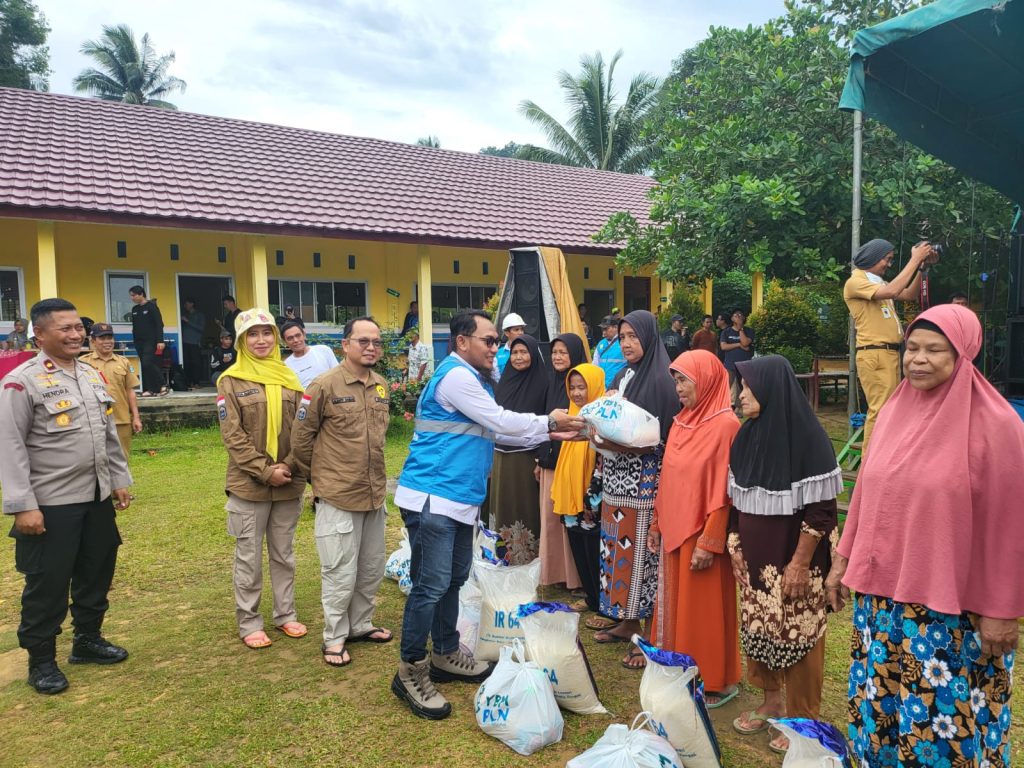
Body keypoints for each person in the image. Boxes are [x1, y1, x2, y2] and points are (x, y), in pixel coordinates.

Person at [826, 304, 1024, 768]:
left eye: (934, 350)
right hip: (882, 605)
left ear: (963, 354)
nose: (917, 359)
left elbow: (1009, 525)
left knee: (942, 727)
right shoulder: (893, 412)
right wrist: (843, 559)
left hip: (949, 614)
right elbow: (867, 493)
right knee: (880, 713)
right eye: (911, 347)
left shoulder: (997, 427)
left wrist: (1002, 609)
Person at [391, 309, 583, 720]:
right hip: (433, 497)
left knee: (453, 580)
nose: (497, 347)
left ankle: (445, 653)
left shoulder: (473, 377)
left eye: (498, 341)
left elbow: (493, 430)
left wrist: (551, 430)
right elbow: (499, 420)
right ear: (462, 342)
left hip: (459, 498)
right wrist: (550, 420)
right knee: (430, 585)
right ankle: (410, 670)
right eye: (490, 340)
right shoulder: (457, 377)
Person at [0, 298, 133, 695]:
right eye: (66, 329)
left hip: (95, 496)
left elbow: (107, 434)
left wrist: (118, 479)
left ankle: (87, 640)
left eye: (79, 328)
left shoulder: (91, 374)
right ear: (40, 334)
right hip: (51, 503)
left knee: (96, 570)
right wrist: (23, 504)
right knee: (48, 582)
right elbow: (10, 445)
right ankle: (41, 660)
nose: (77, 335)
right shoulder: (22, 381)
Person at [727, 355, 842, 750]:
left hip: (796, 564)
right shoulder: (745, 437)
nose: (741, 396)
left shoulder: (808, 438)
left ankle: (803, 718)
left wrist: (799, 563)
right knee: (758, 630)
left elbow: (822, 510)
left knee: (800, 636)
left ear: (772, 389)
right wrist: (734, 544)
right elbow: (735, 499)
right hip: (756, 564)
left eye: (748, 387)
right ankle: (771, 701)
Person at [286, 316, 393, 668]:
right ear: (345, 345)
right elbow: (301, 439)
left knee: (371, 568)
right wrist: (320, 481)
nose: (371, 347)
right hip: (338, 495)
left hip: (373, 494)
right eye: (363, 341)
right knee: (339, 571)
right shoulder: (323, 385)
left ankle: (360, 624)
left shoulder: (381, 385)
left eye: (376, 342)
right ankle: (334, 636)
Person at [648, 349, 741, 697]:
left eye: (685, 380)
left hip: (701, 534)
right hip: (674, 527)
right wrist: (657, 522)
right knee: (676, 605)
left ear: (707, 380)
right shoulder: (680, 422)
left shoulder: (726, 426)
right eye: (676, 380)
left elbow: (725, 492)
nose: (679, 388)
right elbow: (667, 478)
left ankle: (712, 678)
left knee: (702, 610)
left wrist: (710, 540)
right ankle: (678, 669)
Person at [592, 310, 679, 669]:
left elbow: (662, 440)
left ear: (648, 337)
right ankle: (626, 621)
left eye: (633, 336)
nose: (626, 343)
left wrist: (616, 441)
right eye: (623, 336)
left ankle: (647, 633)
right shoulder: (622, 375)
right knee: (617, 549)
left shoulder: (660, 380)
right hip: (616, 480)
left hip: (644, 485)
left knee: (643, 556)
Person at [216, 308, 308, 650]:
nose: (261, 340)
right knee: (249, 558)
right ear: (241, 341)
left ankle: (286, 614)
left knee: (284, 554)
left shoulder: (289, 377)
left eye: (267, 333)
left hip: (288, 482)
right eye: (252, 334)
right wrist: (267, 471)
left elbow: (302, 429)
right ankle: (249, 621)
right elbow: (233, 436)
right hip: (249, 486)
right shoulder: (230, 381)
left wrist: (287, 465)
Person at [843, 238, 935, 451]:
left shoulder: (879, 283)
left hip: (890, 353)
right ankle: (870, 462)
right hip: (875, 353)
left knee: (891, 409)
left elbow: (909, 294)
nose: (889, 264)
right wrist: (915, 259)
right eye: (887, 259)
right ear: (873, 257)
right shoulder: (855, 281)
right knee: (880, 410)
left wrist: (922, 267)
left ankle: (885, 456)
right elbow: (893, 291)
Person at [485, 334, 550, 563]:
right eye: (514, 352)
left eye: (524, 352)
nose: (519, 357)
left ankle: (530, 556)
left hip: (527, 459)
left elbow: (549, 425)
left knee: (525, 505)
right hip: (500, 458)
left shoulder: (544, 384)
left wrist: (541, 459)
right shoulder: (504, 383)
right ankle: (502, 554)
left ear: (533, 354)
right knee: (502, 504)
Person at [552, 363, 606, 615]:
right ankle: (590, 597)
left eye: (582, 387)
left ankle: (601, 601)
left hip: (590, 499)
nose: (576, 393)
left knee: (593, 551)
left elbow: (601, 462)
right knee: (578, 548)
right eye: (572, 388)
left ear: (594, 387)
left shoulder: (602, 419)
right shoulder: (570, 416)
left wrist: (591, 499)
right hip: (570, 497)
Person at [536, 333, 588, 589]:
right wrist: (539, 458)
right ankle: (556, 574)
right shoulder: (550, 381)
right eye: (554, 352)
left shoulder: (582, 384)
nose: (557, 357)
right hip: (549, 461)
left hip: (573, 465)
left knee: (570, 523)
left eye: (563, 352)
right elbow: (544, 423)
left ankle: (575, 579)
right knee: (550, 520)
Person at [81, 323, 143, 457]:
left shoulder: (123, 362)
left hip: (120, 419)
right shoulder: (83, 363)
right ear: (93, 341)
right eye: (102, 338)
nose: (107, 342)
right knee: (95, 458)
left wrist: (136, 417)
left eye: (110, 338)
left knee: (122, 458)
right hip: (94, 420)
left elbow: (130, 391)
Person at [128, 285, 166, 397]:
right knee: (144, 366)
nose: (132, 298)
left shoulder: (152, 307)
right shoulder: (134, 309)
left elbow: (159, 324)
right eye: (131, 296)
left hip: (151, 340)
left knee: (147, 362)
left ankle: (163, 384)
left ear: (141, 294)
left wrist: (160, 340)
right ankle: (150, 389)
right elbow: (135, 326)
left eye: (134, 295)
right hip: (139, 341)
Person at [281, 322, 338, 388]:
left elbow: (337, 375)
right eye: (290, 338)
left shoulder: (324, 350)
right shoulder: (286, 366)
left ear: (304, 335)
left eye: (298, 335)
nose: (295, 340)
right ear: (285, 342)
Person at [719, 309, 754, 410]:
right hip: (730, 365)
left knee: (744, 386)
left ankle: (741, 408)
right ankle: (724, 407)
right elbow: (723, 347)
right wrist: (738, 344)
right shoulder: (726, 332)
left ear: (744, 318)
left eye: (740, 315)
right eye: (736, 315)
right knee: (726, 387)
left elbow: (745, 343)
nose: (738, 316)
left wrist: (740, 329)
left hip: (745, 364)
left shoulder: (749, 331)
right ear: (731, 318)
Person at [592, 316, 627, 388]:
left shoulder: (624, 342)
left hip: (618, 386)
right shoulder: (601, 344)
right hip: (602, 387)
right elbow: (595, 365)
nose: (604, 332)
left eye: (606, 329)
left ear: (615, 327)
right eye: (602, 329)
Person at [181, 297, 206, 388]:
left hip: (195, 342)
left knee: (196, 363)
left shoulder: (199, 315)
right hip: (184, 342)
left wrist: (187, 321)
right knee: (187, 363)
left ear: (192, 304)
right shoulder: (185, 315)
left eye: (187, 304)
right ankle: (189, 382)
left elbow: (201, 328)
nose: (185, 306)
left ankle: (196, 382)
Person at [494, 312, 526, 376]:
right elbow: (496, 377)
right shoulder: (497, 353)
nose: (520, 332)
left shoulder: (531, 349)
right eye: (516, 330)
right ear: (507, 333)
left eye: (522, 329)